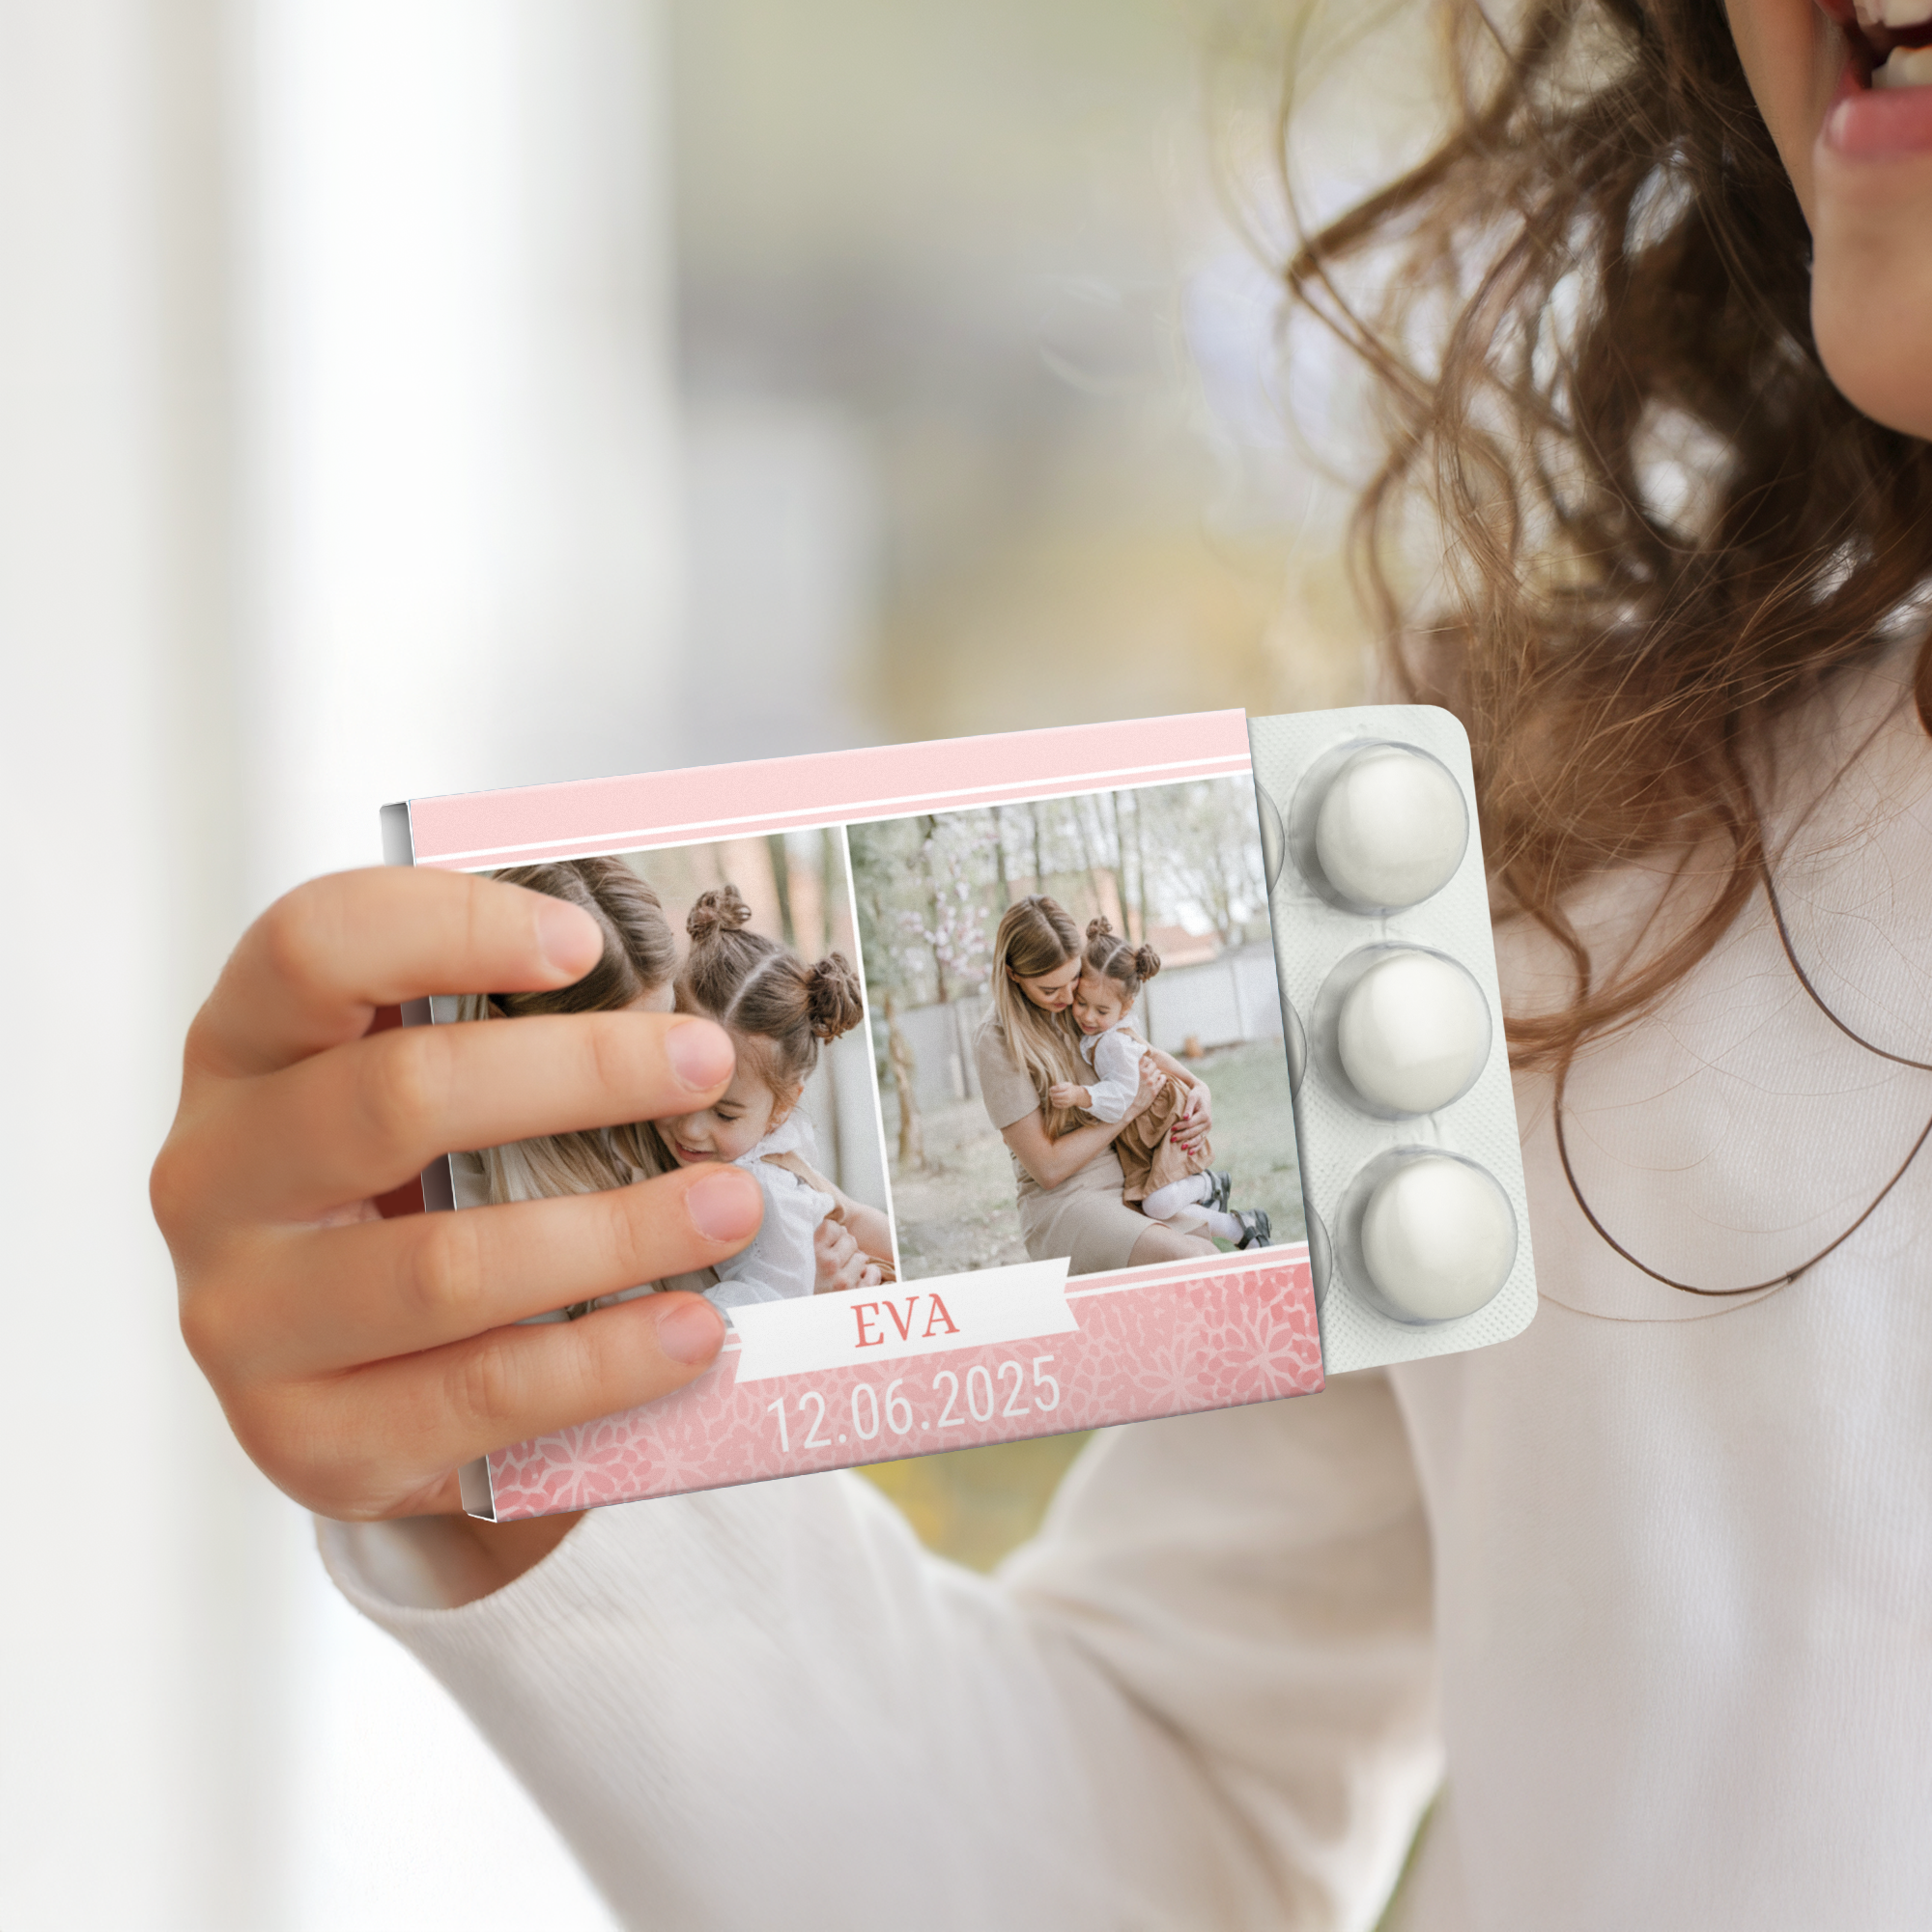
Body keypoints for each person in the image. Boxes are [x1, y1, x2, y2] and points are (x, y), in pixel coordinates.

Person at [150, 0, 1932, 1922]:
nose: (1097, 983)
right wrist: (532, 1439)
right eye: (1086, 973)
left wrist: (1126, 1148)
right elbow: (1168, 1819)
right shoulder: (1574, 905)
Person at [663, 886, 891, 1309]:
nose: (690, 1128)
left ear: (781, 1108)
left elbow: (766, 1301)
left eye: (725, 1115)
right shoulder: (760, 1146)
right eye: (680, 1090)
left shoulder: (763, 1193)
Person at [973, 895, 1216, 1275]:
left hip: (1134, 1176)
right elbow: (1048, 1168)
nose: (1069, 999)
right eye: (1050, 990)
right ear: (1014, 975)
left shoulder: (1083, 1005)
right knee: (1187, 1262)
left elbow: (1145, 1053)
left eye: (1073, 981)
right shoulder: (997, 1040)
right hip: (1065, 1198)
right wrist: (1131, 1108)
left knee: (1209, 1256)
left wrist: (1200, 1087)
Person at [1047, 917, 1272, 1251]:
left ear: (1125, 1009)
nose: (1088, 1017)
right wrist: (1196, 1082)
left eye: (1101, 1010)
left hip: (1165, 1121)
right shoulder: (1103, 1029)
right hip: (1141, 1130)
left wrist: (1081, 1095)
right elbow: (1154, 1054)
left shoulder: (1113, 1043)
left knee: (1157, 1204)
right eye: (1082, 1003)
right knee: (1150, 1207)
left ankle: (1209, 1183)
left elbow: (1121, 1096)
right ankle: (1241, 1226)